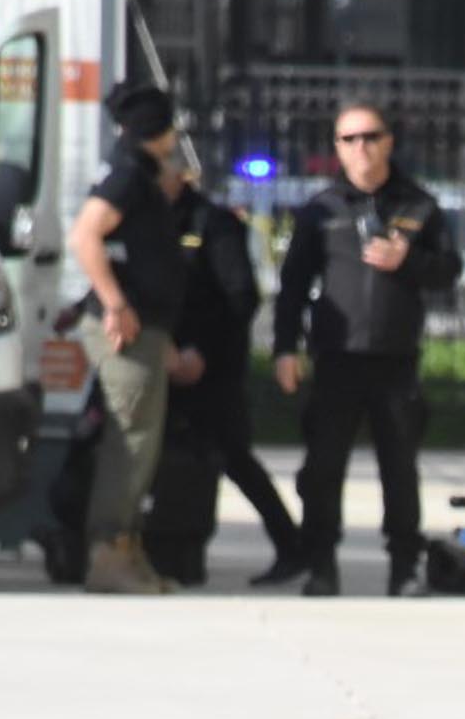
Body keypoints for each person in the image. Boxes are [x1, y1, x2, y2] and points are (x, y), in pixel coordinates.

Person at [271, 103, 459, 597]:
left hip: (395, 359)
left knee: (399, 468)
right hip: (337, 358)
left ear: (389, 141)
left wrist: (408, 259)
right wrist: (284, 348)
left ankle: (403, 567)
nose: (361, 148)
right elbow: (293, 285)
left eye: (370, 137)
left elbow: (449, 271)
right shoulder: (322, 210)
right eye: (348, 139)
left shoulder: (419, 205)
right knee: (323, 466)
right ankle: (321, 564)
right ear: (336, 147)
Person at [66, 81, 191, 596]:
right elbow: (85, 235)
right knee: (130, 440)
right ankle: (109, 550)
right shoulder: (126, 177)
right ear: (158, 131)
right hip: (127, 328)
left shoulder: (136, 175)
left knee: (141, 441)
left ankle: (125, 550)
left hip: (146, 328)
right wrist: (116, 302)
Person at [161, 156, 304, 586]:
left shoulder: (212, 224)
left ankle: (290, 546)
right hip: (165, 361)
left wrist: (201, 351)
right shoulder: (145, 219)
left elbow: (240, 297)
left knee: (233, 456)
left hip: (213, 368)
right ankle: (167, 548)